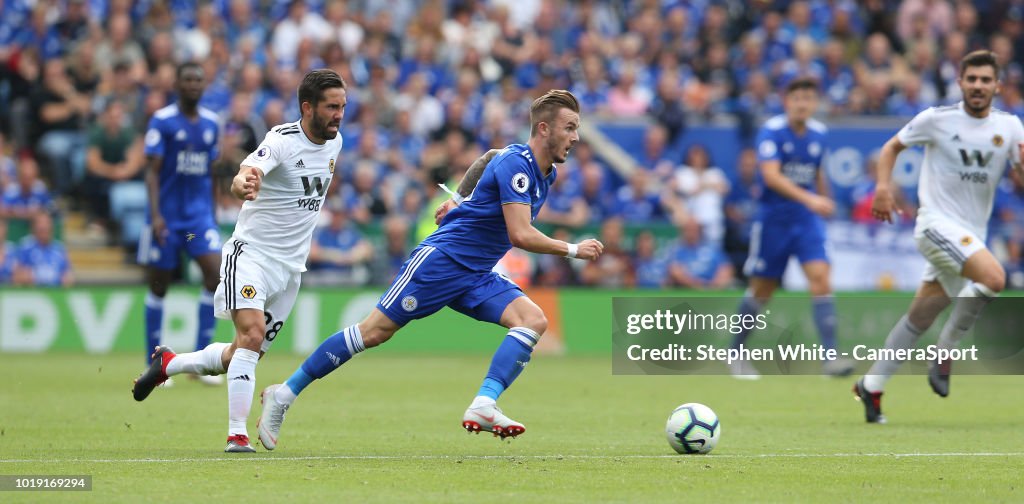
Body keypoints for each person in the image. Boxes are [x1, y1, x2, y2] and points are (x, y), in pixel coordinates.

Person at [255, 90, 603, 451]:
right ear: (544, 128)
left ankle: (484, 403)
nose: (576, 137)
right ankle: (284, 393)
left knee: (532, 321)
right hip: (441, 261)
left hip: (477, 273)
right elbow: (519, 233)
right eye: (570, 127)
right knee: (373, 332)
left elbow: (487, 158)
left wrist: (456, 198)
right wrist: (573, 249)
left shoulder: (542, 172)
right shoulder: (518, 164)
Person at [131, 69, 348, 453]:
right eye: (332, 107)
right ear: (307, 107)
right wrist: (241, 183)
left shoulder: (336, 143)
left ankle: (168, 364)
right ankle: (237, 435)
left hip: (290, 271)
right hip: (251, 256)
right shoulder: (281, 140)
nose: (339, 115)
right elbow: (246, 172)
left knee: (239, 353)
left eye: (343, 107)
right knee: (250, 337)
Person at [854, 50, 1024, 424]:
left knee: (920, 316)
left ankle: (872, 384)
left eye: (985, 80)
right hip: (934, 225)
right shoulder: (937, 119)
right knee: (995, 278)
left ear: (997, 85)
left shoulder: (1010, 128)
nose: (978, 86)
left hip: (970, 236)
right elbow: (891, 147)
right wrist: (883, 187)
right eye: (972, 79)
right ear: (960, 82)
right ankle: (945, 352)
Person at [729, 77, 854, 379]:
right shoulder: (771, 132)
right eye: (796, 98)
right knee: (763, 289)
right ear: (787, 102)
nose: (802, 104)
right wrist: (811, 198)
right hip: (774, 220)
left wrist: (825, 200)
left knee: (821, 278)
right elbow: (771, 177)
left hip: (806, 221)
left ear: (815, 103)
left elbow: (818, 170)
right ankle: (735, 353)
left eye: (808, 98)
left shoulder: (819, 134)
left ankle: (830, 358)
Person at [136, 62, 223, 386]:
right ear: (177, 84)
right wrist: (156, 215)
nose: (193, 85)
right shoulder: (163, 121)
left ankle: (201, 361)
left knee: (215, 276)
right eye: (187, 80)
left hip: (197, 222)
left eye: (198, 80)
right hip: (168, 220)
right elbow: (152, 171)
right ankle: (155, 363)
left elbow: (211, 173)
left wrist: (212, 214)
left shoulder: (213, 124)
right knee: (160, 285)